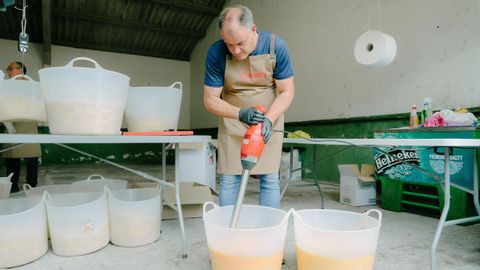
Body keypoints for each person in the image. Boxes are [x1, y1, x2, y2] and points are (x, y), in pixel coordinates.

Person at [203, 5, 294, 208]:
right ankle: (229, 230)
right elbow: (210, 99)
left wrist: (270, 119)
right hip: (234, 120)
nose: (235, 50)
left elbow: (287, 91)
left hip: (267, 120)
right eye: (229, 44)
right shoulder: (216, 53)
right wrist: (240, 113)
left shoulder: (275, 47)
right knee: (229, 179)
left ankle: (268, 230)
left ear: (253, 29)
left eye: (240, 43)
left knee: (269, 178)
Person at [3, 61, 41, 193]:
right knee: (12, 164)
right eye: (8, 69)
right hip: (10, 127)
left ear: (20, 70)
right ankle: (12, 189)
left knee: (32, 161)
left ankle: (32, 189)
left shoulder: (31, 86)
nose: (8, 71)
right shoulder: (4, 86)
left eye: (10, 69)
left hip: (28, 126)